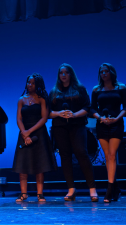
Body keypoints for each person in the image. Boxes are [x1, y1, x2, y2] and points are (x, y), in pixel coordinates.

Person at [49, 63, 98, 202]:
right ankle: (71, 189)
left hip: (77, 125)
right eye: (61, 73)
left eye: (66, 72)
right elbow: (47, 113)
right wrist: (59, 113)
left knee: (81, 153)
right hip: (60, 127)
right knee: (65, 156)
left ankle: (92, 189)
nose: (63, 75)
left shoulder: (80, 89)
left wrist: (74, 115)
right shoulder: (54, 92)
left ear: (71, 74)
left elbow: (87, 108)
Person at [12, 73, 57, 202]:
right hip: (24, 133)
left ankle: (39, 193)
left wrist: (29, 132)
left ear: (37, 84)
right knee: (22, 164)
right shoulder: (21, 99)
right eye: (28, 82)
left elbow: (44, 118)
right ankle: (23, 193)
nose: (29, 85)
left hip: (39, 133)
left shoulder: (42, 99)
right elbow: (19, 119)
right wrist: (24, 133)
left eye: (32, 83)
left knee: (40, 164)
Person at [91, 63, 125, 203]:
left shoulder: (121, 87)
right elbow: (92, 109)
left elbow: (125, 107)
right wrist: (100, 118)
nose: (104, 73)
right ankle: (115, 188)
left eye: (106, 71)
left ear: (111, 72)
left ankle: (109, 190)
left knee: (112, 155)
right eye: (101, 71)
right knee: (107, 156)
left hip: (116, 124)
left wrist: (116, 118)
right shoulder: (96, 89)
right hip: (102, 125)